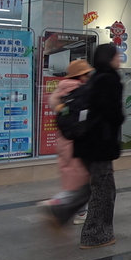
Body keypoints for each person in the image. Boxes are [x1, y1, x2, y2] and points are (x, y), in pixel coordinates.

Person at [74, 44, 125, 249]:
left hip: (88, 144)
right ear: (109, 58)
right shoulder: (109, 79)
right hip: (100, 144)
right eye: (116, 56)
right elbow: (112, 113)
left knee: (101, 189)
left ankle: (97, 233)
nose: (119, 59)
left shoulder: (95, 78)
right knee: (103, 192)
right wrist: (119, 118)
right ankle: (94, 236)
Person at [39, 59, 93, 225]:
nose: (89, 76)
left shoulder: (62, 89)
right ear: (81, 76)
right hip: (77, 141)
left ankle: (72, 207)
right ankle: (58, 205)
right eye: (87, 74)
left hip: (63, 139)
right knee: (81, 180)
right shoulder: (82, 91)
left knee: (72, 177)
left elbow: (54, 105)